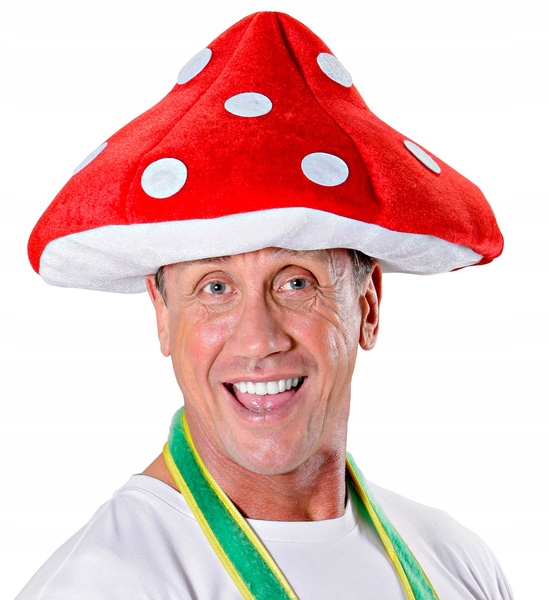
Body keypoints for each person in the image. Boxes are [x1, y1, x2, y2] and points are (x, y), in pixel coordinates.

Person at [17, 11, 513, 600]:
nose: (258, 339)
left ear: (369, 305)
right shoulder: (109, 583)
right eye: (215, 288)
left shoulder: (456, 560)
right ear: (162, 315)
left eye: (295, 283)